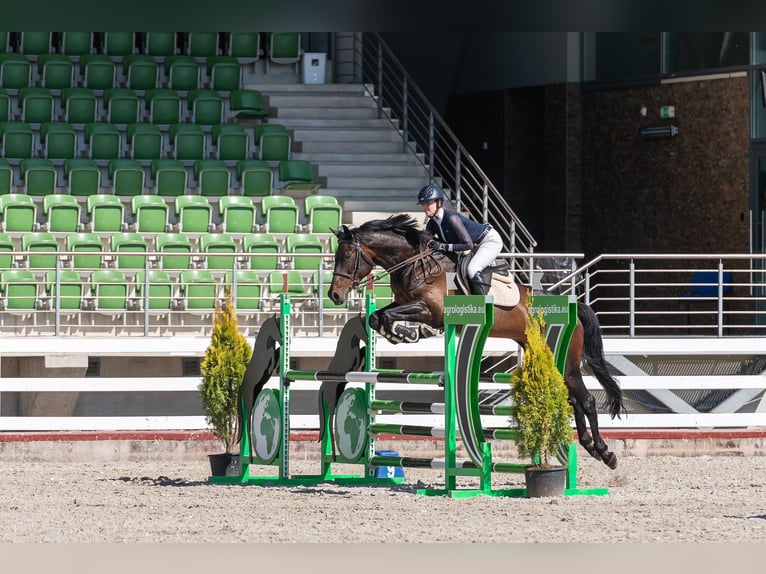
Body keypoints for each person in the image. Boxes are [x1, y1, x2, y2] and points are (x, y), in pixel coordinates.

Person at [417, 183, 503, 295]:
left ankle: (482, 305)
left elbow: (468, 244)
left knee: (472, 269)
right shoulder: (432, 223)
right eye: (423, 204)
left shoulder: (452, 218)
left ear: (439, 202)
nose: (425, 208)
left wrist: (443, 246)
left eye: (428, 203)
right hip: (474, 245)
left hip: (489, 241)